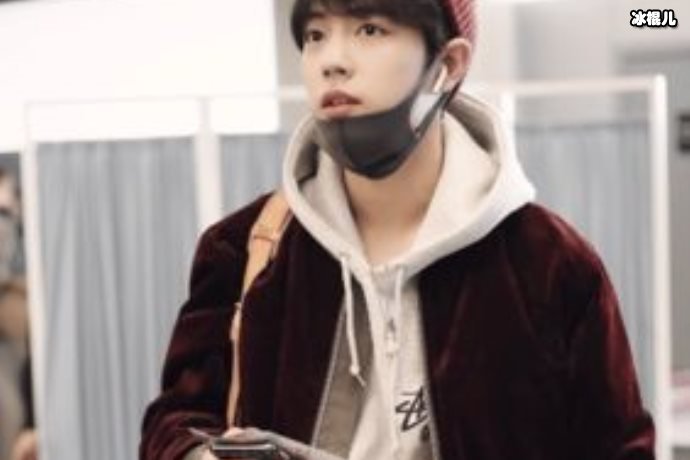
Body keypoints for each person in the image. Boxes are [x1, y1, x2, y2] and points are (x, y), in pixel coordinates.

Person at [140, 0, 655, 459]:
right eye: (315, 34)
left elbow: (619, 446)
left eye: (369, 29)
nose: (331, 60)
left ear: (449, 64)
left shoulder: (549, 262)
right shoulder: (246, 248)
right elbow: (173, 425)